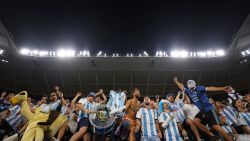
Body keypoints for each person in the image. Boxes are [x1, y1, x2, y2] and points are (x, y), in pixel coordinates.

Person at [174, 76, 233, 141]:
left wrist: (222, 88)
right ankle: (212, 135)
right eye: (188, 83)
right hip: (202, 111)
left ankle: (230, 139)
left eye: (191, 83)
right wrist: (176, 81)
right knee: (195, 121)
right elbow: (181, 87)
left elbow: (210, 88)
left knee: (216, 127)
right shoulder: (188, 91)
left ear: (194, 84)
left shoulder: (199, 88)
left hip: (209, 109)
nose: (190, 84)